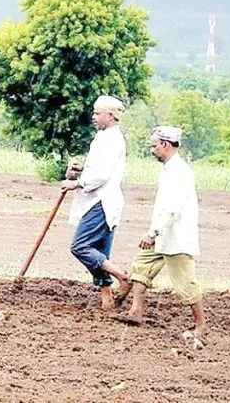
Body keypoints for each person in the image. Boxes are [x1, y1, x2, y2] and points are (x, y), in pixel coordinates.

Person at [119, 126, 209, 346]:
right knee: (142, 265)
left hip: (175, 237)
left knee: (185, 283)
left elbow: (172, 209)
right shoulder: (169, 169)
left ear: (166, 145)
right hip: (162, 234)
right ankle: (136, 311)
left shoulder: (179, 172)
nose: (152, 149)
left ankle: (200, 326)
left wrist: (152, 233)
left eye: (154, 145)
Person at [60, 95, 132, 309]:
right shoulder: (104, 137)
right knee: (100, 251)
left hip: (102, 200)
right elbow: (100, 168)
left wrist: (78, 183)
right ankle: (107, 301)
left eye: (97, 113)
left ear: (110, 116)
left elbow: (101, 175)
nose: (93, 117)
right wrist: (82, 168)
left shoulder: (112, 140)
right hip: (100, 199)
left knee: (80, 246)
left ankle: (122, 276)